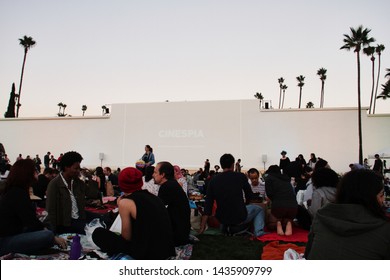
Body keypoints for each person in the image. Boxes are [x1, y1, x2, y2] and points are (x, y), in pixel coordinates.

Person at [305, 169, 390, 259]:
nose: (383, 200)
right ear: (369, 197)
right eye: (381, 195)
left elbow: (308, 254)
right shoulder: (383, 228)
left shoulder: (321, 217)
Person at [92, 167, 175, 259]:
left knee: (98, 233)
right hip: (166, 249)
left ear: (122, 184)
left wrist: (120, 204)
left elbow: (126, 238)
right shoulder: (154, 197)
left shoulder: (125, 202)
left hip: (148, 254)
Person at [0, 159, 67, 256]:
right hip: (5, 241)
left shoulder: (15, 191)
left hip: (15, 232)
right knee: (48, 235)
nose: (37, 173)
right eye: (34, 170)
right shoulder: (17, 193)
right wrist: (53, 238)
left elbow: (28, 220)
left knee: (48, 226)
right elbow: (31, 222)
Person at [199, 154, 266, 237]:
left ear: (221, 165)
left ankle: (229, 229)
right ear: (233, 164)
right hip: (239, 217)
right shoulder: (240, 176)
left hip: (222, 219)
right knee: (259, 209)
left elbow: (208, 203)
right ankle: (258, 233)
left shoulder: (214, 180)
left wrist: (202, 226)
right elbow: (249, 195)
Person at [45, 151, 86, 234]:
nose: (78, 171)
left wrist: (87, 176)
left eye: (79, 169)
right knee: (94, 230)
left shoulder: (76, 181)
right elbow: (51, 211)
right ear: (66, 167)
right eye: (76, 168)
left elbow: (92, 193)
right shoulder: (54, 184)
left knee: (103, 220)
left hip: (79, 217)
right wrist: (53, 235)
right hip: (67, 224)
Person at [154, 161, 191, 246]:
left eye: (155, 172)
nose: (153, 175)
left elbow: (158, 211)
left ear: (162, 174)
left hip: (176, 237)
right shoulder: (171, 184)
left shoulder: (166, 186)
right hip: (181, 232)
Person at [265, 165, 298, 236]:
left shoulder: (269, 178)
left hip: (279, 206)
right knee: (287, 219)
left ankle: (278, 223)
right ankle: (288, 223)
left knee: (270, 224)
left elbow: (269, 193)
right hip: (293, 206)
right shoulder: (286, 179)